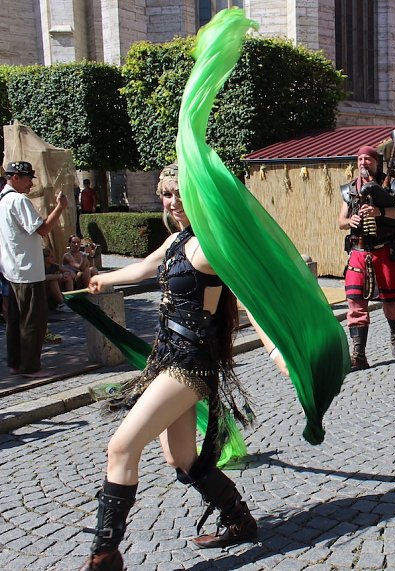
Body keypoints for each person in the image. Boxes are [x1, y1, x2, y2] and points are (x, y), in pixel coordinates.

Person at [78, 164, 265, 571]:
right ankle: (239, 519)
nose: (174, 202)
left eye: (182, 194)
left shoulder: (209, 247)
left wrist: (275, 350)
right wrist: (102, 281)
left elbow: (252, 296)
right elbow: (145, 268)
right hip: (166, 360)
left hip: (191, 367)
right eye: (167, 194)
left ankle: (105, 556)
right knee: (181, 457)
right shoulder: (179, 241)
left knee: (122, 446)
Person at [338, 146, 395, 371]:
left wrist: (380, 212)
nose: (363, 162)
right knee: (355, 304)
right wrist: (350, 221)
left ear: (376, 162)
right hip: (358, 252)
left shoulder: (393, 184)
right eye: (360, 158)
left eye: (368, 159)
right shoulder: (350, 190)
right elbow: (340, 221)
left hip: (385, 251)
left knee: (391, 303)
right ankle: (359, 355)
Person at [0, 161, 69, 378]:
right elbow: (42, 229)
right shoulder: (19, 200)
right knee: (33, 320)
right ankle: (30, 366)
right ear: (16, 177)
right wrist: (60, 207)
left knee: (14, 320)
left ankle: (15, 362)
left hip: (11, 268)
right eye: (28, 177)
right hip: (27, 270)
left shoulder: (2, 199)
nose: (31, 183)